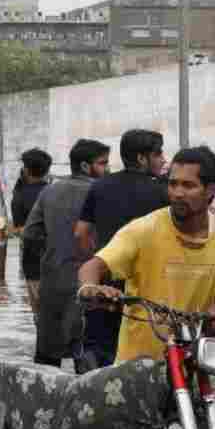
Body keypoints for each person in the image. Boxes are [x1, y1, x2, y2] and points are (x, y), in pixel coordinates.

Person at [76, 146, 215, 429]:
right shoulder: (144, 229)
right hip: (140, 366)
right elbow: (94, 265)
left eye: (188, 185)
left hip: (193, 361)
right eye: (173, 184)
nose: (177, 193)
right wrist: (92, 287)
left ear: (211, 190)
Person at [75, 129, 168, 369]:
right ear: (141, 158)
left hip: (106, 283)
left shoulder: (99, 186)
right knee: (147, 359)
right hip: (149, 287)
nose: (163, 159)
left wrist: (96, 265)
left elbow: (81, 233)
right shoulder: (163, 192)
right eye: (158, 154)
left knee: (99, 354)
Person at [25, 137, 110, 367]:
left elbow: (30, 234)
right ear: (85, 166)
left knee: (47, 358)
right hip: (91, 282)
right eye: (103, 163)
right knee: (88, 358)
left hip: (53, 281)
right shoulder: (102, 191)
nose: (108, 169)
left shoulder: (49, 191)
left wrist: (56, 246)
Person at [12, 148, 53, 308]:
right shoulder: (55, 191)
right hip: (58, 258)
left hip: (33, 260)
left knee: (38, 309)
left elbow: (19, 229)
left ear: (26, 170)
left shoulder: (20, 195)